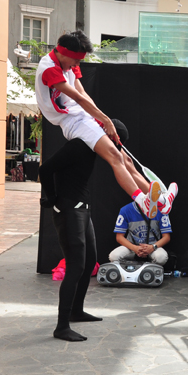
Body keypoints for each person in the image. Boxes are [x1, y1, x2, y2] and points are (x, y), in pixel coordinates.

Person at [34, 31, 176, 219]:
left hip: (83, 116)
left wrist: (100, 118)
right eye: (76, 60)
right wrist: (106, 121)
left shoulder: (69, 63)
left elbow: (83, 94)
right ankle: (143, 201)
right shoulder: (49, 69)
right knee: (115, 157)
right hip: (72, 121)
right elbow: (77, 98)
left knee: (126, 160)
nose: (77, 65)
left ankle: (161, 202)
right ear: (65, 52)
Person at [39, 119, 129, 342]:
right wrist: (51, 198)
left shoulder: (91, 148)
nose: (113, 149)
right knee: (76, 266)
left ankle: (76, 311)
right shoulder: (79, 145)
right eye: (114, 143)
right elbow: (46, 168)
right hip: (69, 210)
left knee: (89, 262)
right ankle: (62, 326)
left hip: (82, 209)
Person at [109, 200, 172, 266]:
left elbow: (166, 237)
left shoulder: (161, 209)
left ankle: (150, 269)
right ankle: (130, 268)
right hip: (131, 247)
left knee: (161, 257)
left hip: (153, 247)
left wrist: (152, 247)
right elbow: (119, 237)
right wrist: (134, 248)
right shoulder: (126, 210)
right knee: (114, 256)